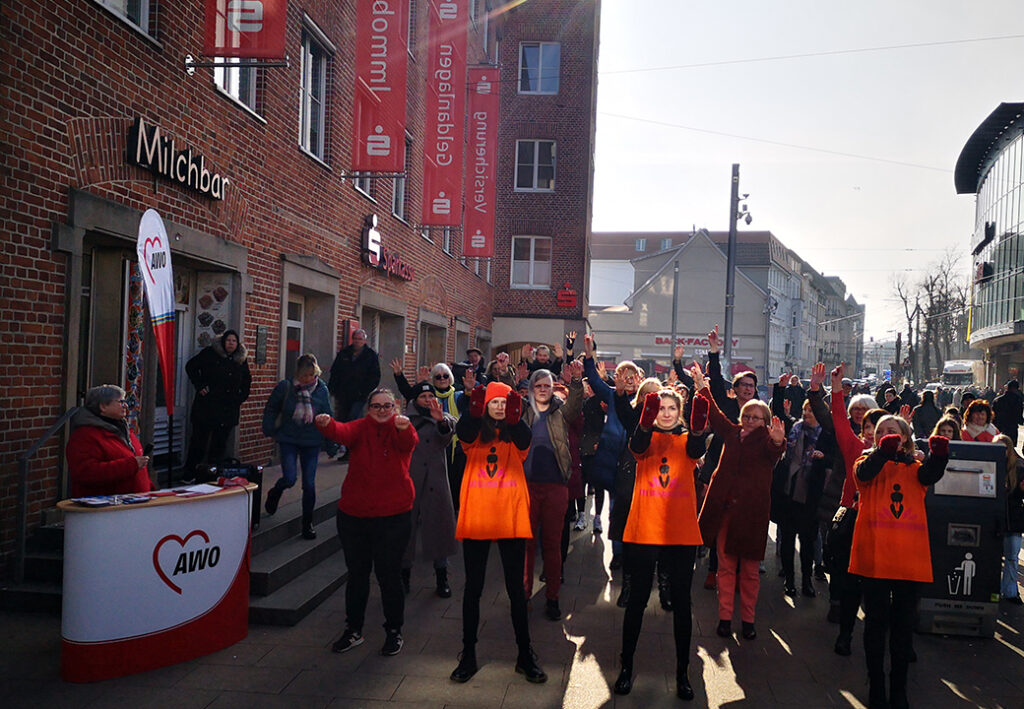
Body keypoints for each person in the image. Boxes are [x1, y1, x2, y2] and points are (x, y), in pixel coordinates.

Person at [613, 388, 708, 701]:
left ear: (679, 411)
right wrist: (644, 421)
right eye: (661, 408)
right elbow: (637, 445)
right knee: (638, 600)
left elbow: (695, 448)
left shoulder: (687, 439)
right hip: (645, 530)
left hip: (679, 532)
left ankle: (683, 673)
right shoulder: (644, 438)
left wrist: (696, 429)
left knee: (682, 603)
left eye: (671, 408)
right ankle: (626, 667)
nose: (666, 413)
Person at [449, 382, 547, 684]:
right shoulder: (473, 435)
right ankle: (468, 654)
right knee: (473, 588)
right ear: (486, 406)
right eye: (494, 402)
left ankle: (524, 655)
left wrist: (515, 417)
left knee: (516, 590)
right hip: (478, 516)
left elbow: (523, 439)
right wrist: (473, 408)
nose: (500, 406)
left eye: (505, 402)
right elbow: (463, 431)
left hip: (510, 516)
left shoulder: (516, 433)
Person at [850, 415, 948, 709]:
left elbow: (929, 475)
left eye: (892, 432)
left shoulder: (915, 467)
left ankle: (899, 687)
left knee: (904, 628)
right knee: (876, 625)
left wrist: (940, 456)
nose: (886, 435)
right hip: (876, 556)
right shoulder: (864, 462)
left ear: (905, 437)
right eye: (881, 432)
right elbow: (866, 474)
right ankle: (876, 683)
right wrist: (883, 451)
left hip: (909, 559)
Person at [315, 388, 417, 656]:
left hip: (394, 515)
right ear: (368, 408)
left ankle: (394, 630)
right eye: (376, 406)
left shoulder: (400, 427)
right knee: (357, 574)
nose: (382, 411)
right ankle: (353, 630)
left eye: (387, 406)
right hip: (355, 515)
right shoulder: (361, 428)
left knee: (389, 575)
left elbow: (409, 443)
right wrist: (326, 424)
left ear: (395, 407)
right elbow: (342, 432)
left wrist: (404, 428)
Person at [691, 361, 786, 640]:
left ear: (766, 422)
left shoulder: (769, 442)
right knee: (725, 567)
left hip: (753, 517)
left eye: (758, 417)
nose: (751, 421)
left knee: (750, 572)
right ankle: (724, 618)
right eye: (748, 416)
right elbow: (717, 415)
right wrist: (701, 385)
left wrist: (779, 442)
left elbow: (773, 453)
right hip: (727, 514)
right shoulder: (732, 434)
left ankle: (748, 620)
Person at [521, 363, 583, 621]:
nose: (543, 390)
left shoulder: (560, 410)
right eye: (538, 385)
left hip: (556, 485)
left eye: (547, 385)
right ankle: (523, 594)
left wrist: (576, 382)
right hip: (528, 486)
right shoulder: (523, 411)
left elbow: (576, 406)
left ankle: (553, 597)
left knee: (553, 544)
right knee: (527, 544)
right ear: (532, 389)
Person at [772, 374, 835, 599]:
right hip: (788, 495)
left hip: (811, 497)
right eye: (806, 410)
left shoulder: (827, 436)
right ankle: (789, 581)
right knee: (787, 541)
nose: (807, 413)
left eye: (812, 410)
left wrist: (823, 458)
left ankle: (806, 580)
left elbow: (833, 460)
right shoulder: (794, 429)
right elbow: (778, 413)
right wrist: (780, 388)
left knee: (808, 542)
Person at [262, 354, 332, 539]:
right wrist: (269, 427)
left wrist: (332, 443)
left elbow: (327, 415)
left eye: (311, 375)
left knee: (309, 484)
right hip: (289, 438)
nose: (307, 379)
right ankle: (275, 491)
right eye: (304, 375)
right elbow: (271, 408)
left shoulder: (321, 389)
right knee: (290, 478)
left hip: (312, 440)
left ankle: (307, 524)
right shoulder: (285, 387)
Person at [399, 381, 458, 598]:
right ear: (415, 400)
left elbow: (447, 435)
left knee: (439, 529)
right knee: (407, 530)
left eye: (430, 396)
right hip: (410, 479)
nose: (427, 400)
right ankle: (404, 576)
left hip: (436, 479)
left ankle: (442, 577)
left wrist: (440, 420)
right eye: (423, 397)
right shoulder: (405, 420)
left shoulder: (442, 417)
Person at [183, 330, 251, 481]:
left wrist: (239, 398)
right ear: (223, 342)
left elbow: (247, 381)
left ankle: (212, 476)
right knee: (198, 443)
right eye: (228, 340)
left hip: (228, 410)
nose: (231, 343)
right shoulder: (210, 353)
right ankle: (190, 474)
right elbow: (191, 366)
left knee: (219, 446)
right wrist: (200, 385)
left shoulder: (240, 359)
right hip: (206, 407)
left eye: (234, 341)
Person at [67, 384, 152, 497]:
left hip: (137, 504)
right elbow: (86, 472)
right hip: (106, 508)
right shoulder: (84, 436)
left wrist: (151, 490)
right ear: (103, 406)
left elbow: (140, 471)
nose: (125, 405)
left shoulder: (124, 431)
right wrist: (131, 465)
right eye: (120, 402)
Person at [327, 329, 381, 424]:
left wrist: (364, 391)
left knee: (354, 418)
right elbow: (335, 372)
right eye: (355, 339)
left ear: (364, 341)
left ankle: (354, 438)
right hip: (343, 395)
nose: (357, 341)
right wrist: (333, 390)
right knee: (342, 420)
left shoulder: (370, 355)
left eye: (360, 339)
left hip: (360, 396)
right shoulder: (344, 353)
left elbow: (375, 376)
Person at [996, 433, 1024, 604]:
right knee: (995, 557)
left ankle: (1010, 591)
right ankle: (998, 589)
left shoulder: (1019, 467)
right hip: (997, 518)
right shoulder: (991, 465)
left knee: (1012, 556)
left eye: (1004, 448)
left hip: (1013, 519)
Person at [993, 380, 1024, 446]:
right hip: (1012, 428)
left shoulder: (997, 400)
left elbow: (993, 415)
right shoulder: (1018, 400)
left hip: (999, 427)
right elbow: (1019, 416)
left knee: (998, 447)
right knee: (1011, 448)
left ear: (1007, 388)